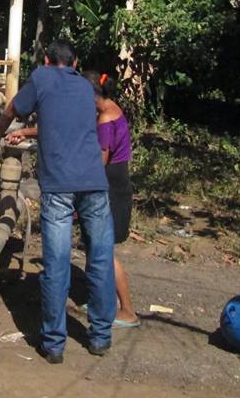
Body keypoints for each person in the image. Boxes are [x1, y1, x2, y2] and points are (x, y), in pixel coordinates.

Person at [0, 39, 115, 363]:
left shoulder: (43, 77)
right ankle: (100, 337)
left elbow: (9, 109)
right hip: (94, 183)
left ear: (46, 60)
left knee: (57, 264)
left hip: (59, 188)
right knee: (100, 260)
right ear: (76, 63)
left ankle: (54, 344)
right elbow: (58, 126)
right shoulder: (86, 89)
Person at [83, 71, 140, 327]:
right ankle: (105, 300)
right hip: (118, 181)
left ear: (94, 94)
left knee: (104, 251)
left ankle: (128, 310)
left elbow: (101, 158)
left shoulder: (105, 119)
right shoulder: (113, 109)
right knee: (98, 246)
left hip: (110, 185)